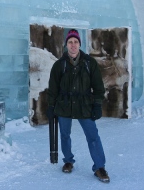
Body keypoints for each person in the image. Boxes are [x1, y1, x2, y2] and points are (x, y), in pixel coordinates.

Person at [46, 29, 110, 183]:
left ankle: (99, 167)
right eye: (70, 42)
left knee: (93, 136)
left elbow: (99, 87)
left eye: (75, 42)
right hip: (64, 105)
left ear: (79, 44)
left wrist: (97, 105)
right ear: (66, 45)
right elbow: (53, 88)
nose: (73, 45)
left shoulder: (89, 63)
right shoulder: (59, 65)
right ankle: (68, 161)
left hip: (84, 106)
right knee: (64, 135)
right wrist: (51, 106)